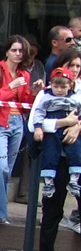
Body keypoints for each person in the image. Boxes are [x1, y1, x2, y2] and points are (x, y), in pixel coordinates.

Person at [31, 50, 81, 251]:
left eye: (78, 66)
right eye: (72, 65)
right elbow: (34, 124)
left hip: (78, 156)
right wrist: (64, 122)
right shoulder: (47, 92)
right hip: (56, 157)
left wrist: (77, 126)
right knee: (53, 208)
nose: (76, 70)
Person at [0, 35, 36, 225]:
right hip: (0, 122)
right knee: (1, 168)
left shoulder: (24, 74)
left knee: (7, 171)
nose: (18, 54)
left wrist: (34, 92)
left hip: (18, 122)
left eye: (21, 51)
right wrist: (10, 87)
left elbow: (25, 103)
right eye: (14, 50)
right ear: (6, 51)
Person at [32, 67, 80, 198]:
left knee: (76, 151)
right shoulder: (46, 97)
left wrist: (77, 123)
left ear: (70, 86)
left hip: (69, 129)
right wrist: (38, 127)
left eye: (63, 87)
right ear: (50, 84)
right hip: (52, 131)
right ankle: (48, 182)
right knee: (50, 153)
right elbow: (38, 113)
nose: (59, 90)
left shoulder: (75, 98)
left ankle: (74, 180)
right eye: (56, 86)